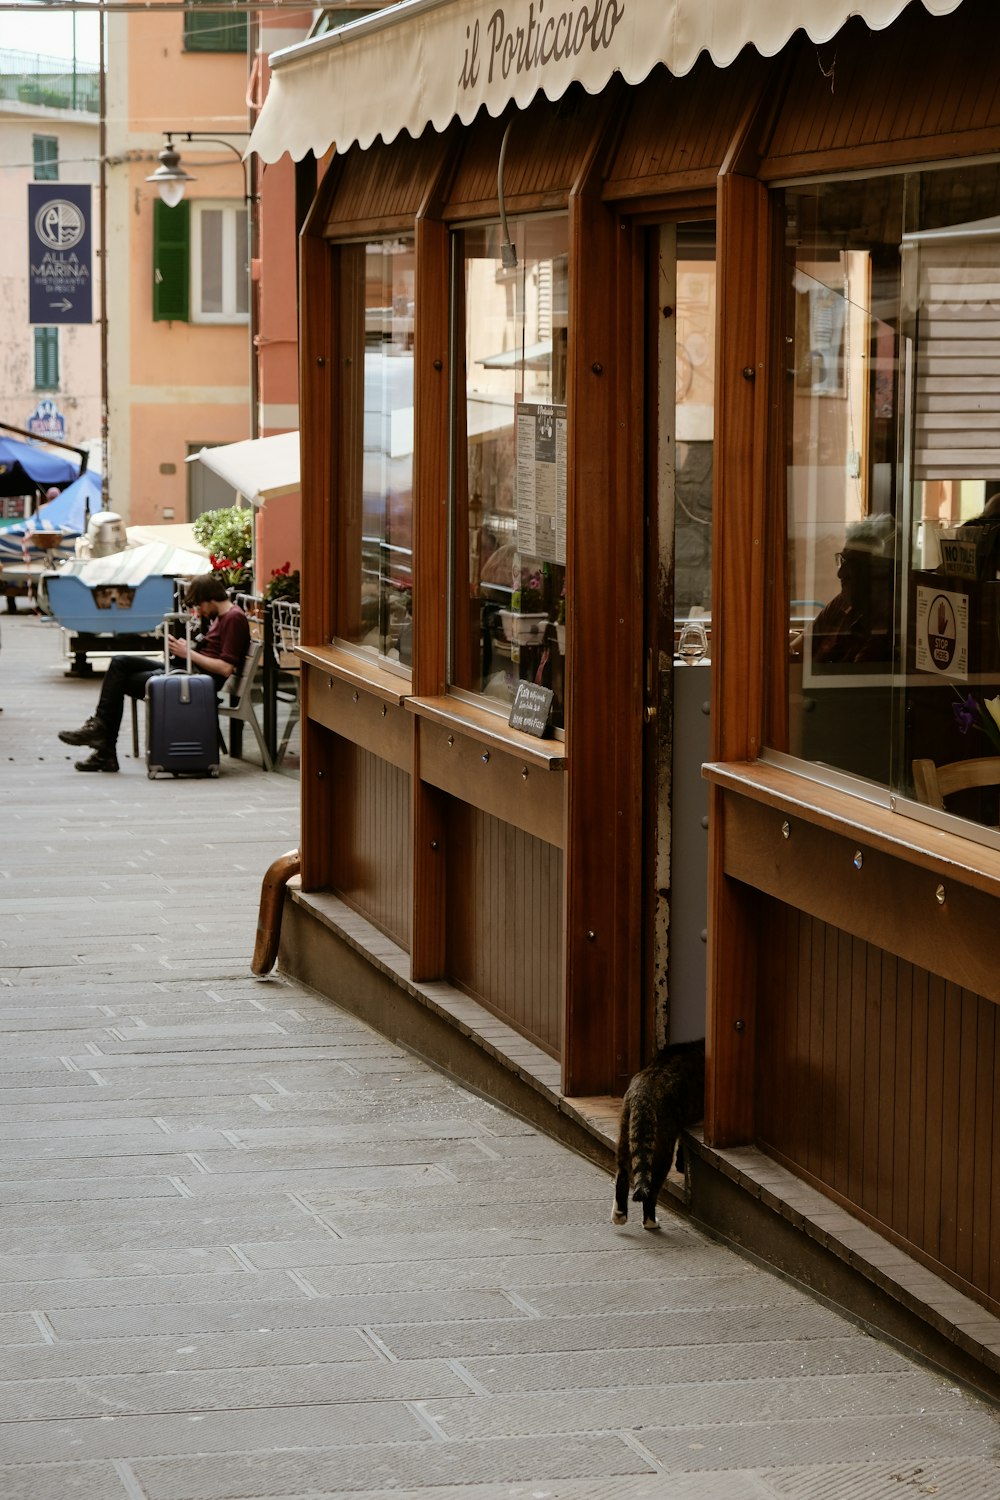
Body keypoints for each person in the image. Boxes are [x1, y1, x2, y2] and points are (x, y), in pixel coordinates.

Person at [58, 574, 250, 773]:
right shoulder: (220, 617)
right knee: (119, 663)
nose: (199, 612)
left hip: (192, 682)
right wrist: (184, 649)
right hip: (184, 672)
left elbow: (225, 668)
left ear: (209, 599)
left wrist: (188, 653)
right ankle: (100, 736)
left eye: (199, 606)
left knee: (120, 680)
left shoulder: (233, 618)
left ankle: (103, 747)